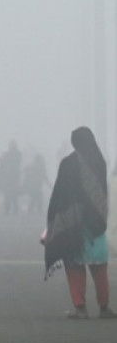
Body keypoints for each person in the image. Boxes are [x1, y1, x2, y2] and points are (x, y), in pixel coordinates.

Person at [44, 126, 115, 319]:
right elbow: (102, 194)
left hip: (72, 224)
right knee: (99, 267)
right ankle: (104, 308)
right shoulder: (100, 162)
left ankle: (80, 308)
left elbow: (58, 193)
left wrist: (51, 219)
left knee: (74, 266)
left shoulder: (68, 163)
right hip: (96, 224)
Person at [0, 140, 23, 214]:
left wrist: (1, 159)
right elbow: (2, 160)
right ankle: (8, 209)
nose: (11, 147)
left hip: (14, 175)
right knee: (7, 193)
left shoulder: (17, 154)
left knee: (13, 193)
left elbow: (7, 160)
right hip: (8, 176)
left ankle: (14, 208)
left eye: (12, 146)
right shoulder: (8, 154)